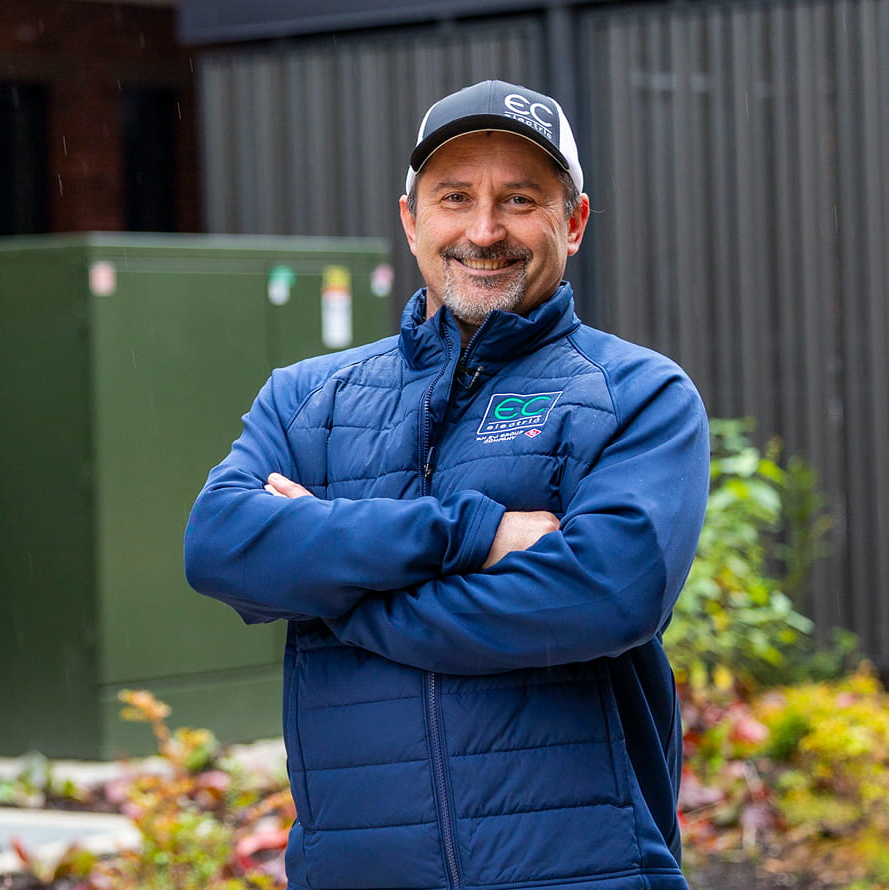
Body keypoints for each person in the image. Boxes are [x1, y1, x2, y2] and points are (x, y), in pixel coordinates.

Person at [185, 79, 708, 890]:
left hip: (584, 871)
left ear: (572, 222)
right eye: (455, 197)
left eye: (520, 199)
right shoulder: (306, 398)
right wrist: (474, 535)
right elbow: (221, 545)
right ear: (411, 219)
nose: (485, 230)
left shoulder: (637, 394)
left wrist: (340, 593)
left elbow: (606, 594)